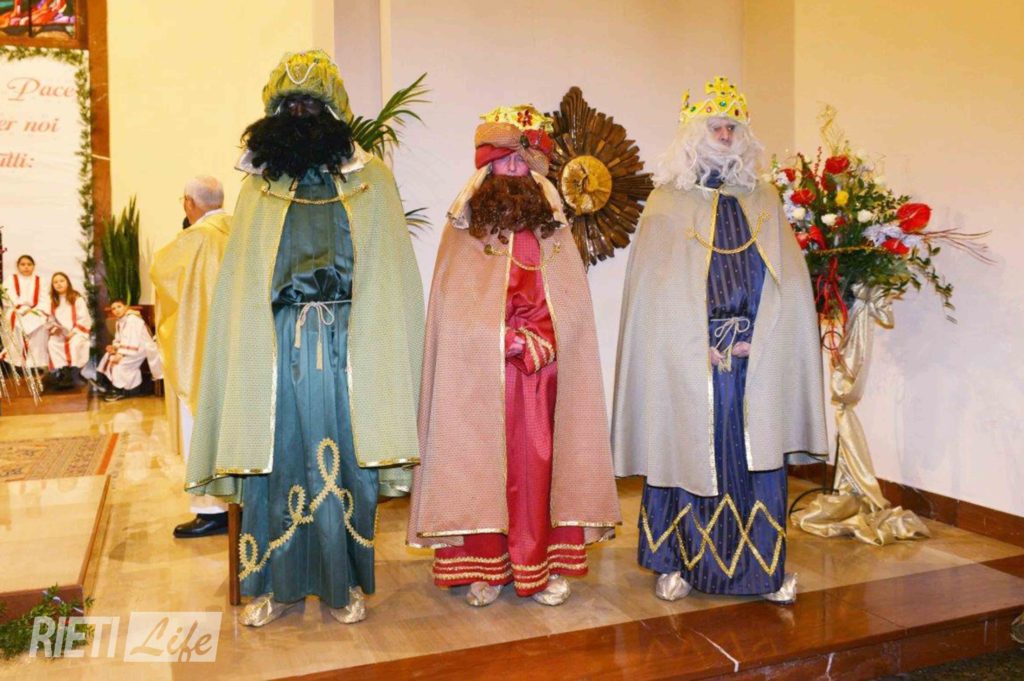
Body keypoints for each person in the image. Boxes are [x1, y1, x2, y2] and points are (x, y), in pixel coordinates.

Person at [185, 50, 424, 627]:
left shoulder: (371, 182)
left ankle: (345, 585)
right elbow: (243, 283)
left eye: (310, 105)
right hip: (274, 348)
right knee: (275, 462)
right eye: (288, 105)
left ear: (332, 111)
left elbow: (390, 278)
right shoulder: (258, 190)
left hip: (349, 348)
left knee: (347, 466)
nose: (299, 114)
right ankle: (274, 586)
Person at [612, 77, 828, 604]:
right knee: (687, 451)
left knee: (753, 458)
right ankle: (678, 562)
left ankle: (763, 571)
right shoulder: (666, 201)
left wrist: (767, 340)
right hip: (693, 358)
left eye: (733, 128)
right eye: (716, 127)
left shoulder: (764, 198)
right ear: (693, 134)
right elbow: (655, 296)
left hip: (754, 357)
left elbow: (789, 285)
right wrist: (692, 347)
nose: (726, 136)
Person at [408, 105, 620, 608]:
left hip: (542, 378)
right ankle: (484, 568)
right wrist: (498, 340)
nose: (512, 168)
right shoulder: (463, 232)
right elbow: (452, 314)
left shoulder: (554, 232)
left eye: (521, 161)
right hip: (480, 380)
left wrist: (540, 340)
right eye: (504, 159)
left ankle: (541, 567)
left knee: (538, 471)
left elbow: (570, 309)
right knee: (481, 469)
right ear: (486, 165)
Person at [150, 176, 232, 539]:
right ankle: (237, 503)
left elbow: (161, 272)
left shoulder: (197, 237)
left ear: (189, 203)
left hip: (200, 349)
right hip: (235, 348)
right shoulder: (238, 229)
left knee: (201, 422)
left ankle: (211, 509)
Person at [94, 298, 163, 401]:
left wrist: (121, 354)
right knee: (108, 356)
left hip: (141, 348)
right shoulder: (120, 321)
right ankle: (105, 384)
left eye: (119, 307)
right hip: (130, 348)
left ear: (126, 307)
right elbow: (119, 339)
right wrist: (114, 347)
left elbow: (133, 339)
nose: (116, 310)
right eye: (113, 308)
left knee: (119, 364)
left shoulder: (132, 320)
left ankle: (118, 390)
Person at [3, 254, 50, 369]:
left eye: (29, 264)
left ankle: (36, 363)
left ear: (34, 266)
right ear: (18, 266)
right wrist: (22, 309)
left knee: (41, 325)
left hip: (35, 311)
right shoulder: (10, 279)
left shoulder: (41, 280)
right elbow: (7, 298)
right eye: (23, 264)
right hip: (16, 310)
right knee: (16, 323)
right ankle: (17, 362)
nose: (26, 267)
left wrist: (32, 310)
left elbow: (45, 300)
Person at [46, 272, 91, 389]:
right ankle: (64, 371)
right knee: (52, 343)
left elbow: (84, 318)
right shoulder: (52, 301)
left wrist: (74, 331)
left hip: (77, 332)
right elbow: (50, 319)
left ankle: (74, 373)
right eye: (55, 282)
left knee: (75, 344)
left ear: (67, 283)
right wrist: (55, 329)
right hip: (62, 332)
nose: (59, 284)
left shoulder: (76, 298)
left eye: (62, 281)